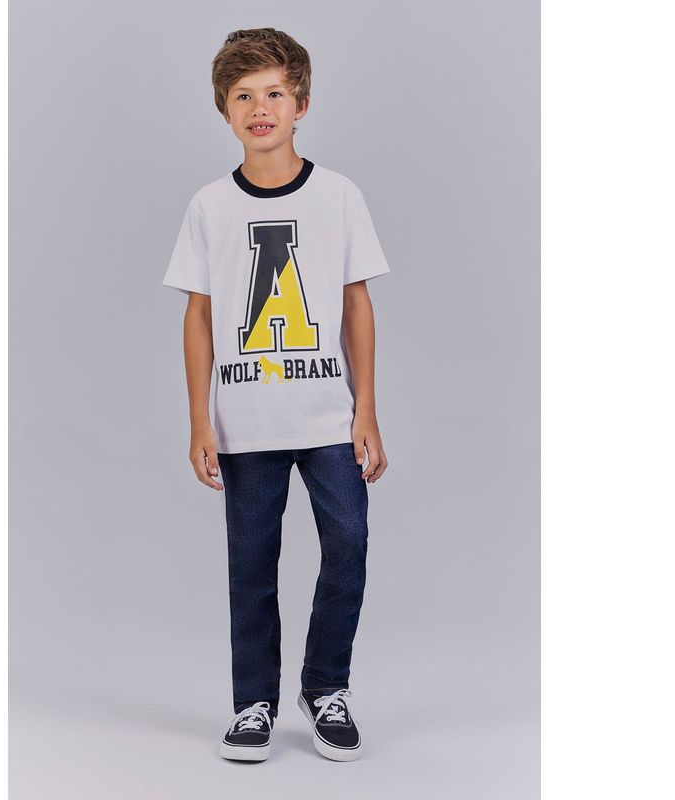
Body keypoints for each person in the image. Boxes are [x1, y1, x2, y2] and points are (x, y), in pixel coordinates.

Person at [162, 27, 390, 763]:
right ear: (224, 110)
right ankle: (252, 701)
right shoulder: (209, 206)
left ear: (302, 104)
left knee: (349, 543)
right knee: (252, 565)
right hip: (246, 420)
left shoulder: (339, 196)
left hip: (328, 419)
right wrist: (200, 420)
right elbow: (198, 316)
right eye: (243, 96)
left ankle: (325, 686)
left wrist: (366, 410)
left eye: (274, 94)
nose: (260, 109)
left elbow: (356, 305)